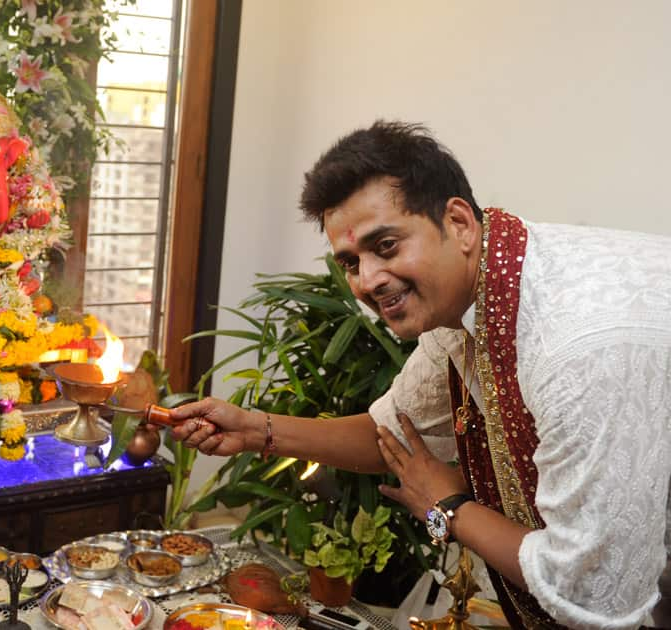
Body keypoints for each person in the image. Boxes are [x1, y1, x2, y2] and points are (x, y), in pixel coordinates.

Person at [164, 121, 671, 629]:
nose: (367, 281)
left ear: (459, 224)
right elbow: (393, 435)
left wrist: (448, 507)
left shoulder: (575, 349)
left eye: (385, 246)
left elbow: (591, 594)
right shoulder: (474, 293)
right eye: (350, 261)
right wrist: (253, 430)